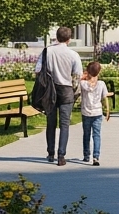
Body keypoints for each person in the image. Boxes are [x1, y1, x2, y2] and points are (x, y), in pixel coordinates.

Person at [34, 26, 82, 165]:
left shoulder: (47, 51)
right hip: (66, 90)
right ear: (69, 39)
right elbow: (77, 76)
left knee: (51, 123)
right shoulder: (73, 55)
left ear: (56, 36)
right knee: (64, 124)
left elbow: (37, 71)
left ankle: (50, 153)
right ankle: (61, 155)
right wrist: (74, 92)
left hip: (49, 90)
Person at [77, 61, 112, 166]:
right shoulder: (101, 84)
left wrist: (83, 76)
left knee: (86, 135)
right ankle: (96, 157)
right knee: (96, 135)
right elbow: (105, 97)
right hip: (97, 112)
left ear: (87, 71)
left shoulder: (83, 84)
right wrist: (108, 111)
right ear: (99, 72)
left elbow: (77, 83)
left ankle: (86, 155)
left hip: (86, 112)